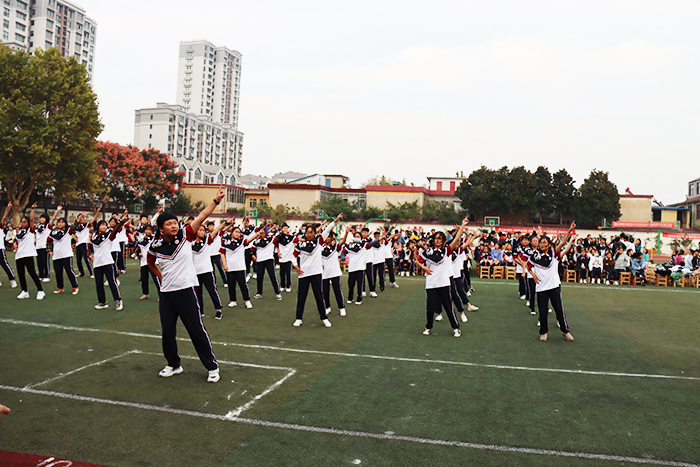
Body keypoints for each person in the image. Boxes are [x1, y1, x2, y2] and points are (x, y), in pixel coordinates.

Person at [147, 188, 225, 383]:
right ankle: (173, 364)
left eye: (175, 222)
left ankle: (212, 367)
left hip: (186, 291)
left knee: (196, 329)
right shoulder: (155, 246)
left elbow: (203, 215)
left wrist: (216, 200)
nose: (173, 226)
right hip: (167, 294)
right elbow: (150, 263)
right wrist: (160, 277)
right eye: (168, 224)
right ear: (160, 228)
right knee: (168, 331)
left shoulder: (185, 235)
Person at [415, 217, 470, 338]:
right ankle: (428, 327)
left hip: (444, 283)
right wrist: (424, 268)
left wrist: (462, 226)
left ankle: (456, 328)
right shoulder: (427, 251)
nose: (438, 240)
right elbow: (417, 261)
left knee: (448, 307)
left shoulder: (447, 251)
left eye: (440, 239)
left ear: (444, 241)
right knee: (430, 308)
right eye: (436, 238)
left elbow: (456, 239)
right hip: (431, 284)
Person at [527, 221, 576, 342]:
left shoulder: (554, 254)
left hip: (554, 286)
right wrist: (533, 275)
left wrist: (569, 230)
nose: (542, 244)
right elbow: (528, 265)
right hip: (541, 288)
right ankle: (543, 333)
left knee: (559, 309)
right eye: (541, 242)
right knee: (542, 311)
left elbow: (563, 242)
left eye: (545, 243)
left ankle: (565, 331)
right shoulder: (535, 255)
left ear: (549, 245)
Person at [292, 213, 342, 327]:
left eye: (311, 232)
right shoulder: (301, 244)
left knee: (319, 297)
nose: (309, 234)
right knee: (301, 297)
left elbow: (328, 229)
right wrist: (296, 266)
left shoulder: (319, 241)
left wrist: (336, 220)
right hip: (303, 274)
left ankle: (324, 318)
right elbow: (293, 255)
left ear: (315, 233)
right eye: (307, 232)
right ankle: (298, 318)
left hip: (316, 274)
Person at [89, 208, 127, 310]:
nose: (104, 226)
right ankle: (102, 302)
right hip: (97, 263)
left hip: (107, 262)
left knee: (111, 282)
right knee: (99, 284)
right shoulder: (93, 237)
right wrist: (89, 255)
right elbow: (89, 247)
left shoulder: (109, 236)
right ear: (98, 226)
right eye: (102, 224)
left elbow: (115, 230)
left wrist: (121, 222)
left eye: (105, 225)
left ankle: (118, 300)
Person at [220, 221, 261, 309]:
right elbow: (222, 254)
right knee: (231, 285)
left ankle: (247, 300)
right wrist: (224, 265)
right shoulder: (225, 243)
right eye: (236, 232)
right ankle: (233, 300)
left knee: (242, 284)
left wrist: (257, 233)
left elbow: (250, 239)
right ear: (232, 233)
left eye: (239, 232)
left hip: (240, 267)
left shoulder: (242, 242)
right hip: (230, 267)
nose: (238, 234)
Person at [192, 220, 227, 319]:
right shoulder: (191, 244)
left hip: (207, 271)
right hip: (196, 273)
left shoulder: (207, 241)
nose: (202, 232)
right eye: (199, 230)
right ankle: (200, 311)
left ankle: (218, 310)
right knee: (198, 293)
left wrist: (223, 224)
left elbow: (215, 231)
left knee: (212, 291)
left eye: (203, 230)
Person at [15, 203, 45, 300]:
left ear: (28, 223)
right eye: (21, 222)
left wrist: (32, 209)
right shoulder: (19, 231)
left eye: (24, 222)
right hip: (19, 255)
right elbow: (16, 241)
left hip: (28, 255)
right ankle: (24, 291)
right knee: (20, 274)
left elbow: (32, 220)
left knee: (32, 272)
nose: (22, 224)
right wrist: (15, 245)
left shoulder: (30, 231)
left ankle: (40, 290)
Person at [47, 206, 79, 295]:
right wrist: (50, 250)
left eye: (62, 222)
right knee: (58, 272)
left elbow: (74, 226)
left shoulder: (68, 231)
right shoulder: (54, 232)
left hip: (66, 255)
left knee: (69, 271)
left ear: (65, 223)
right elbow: (48, 240)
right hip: (56, 255)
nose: (60, 224)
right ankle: (60, 287)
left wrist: (78, 220)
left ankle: (75, 287)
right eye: (59, 222)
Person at [250, 222, 282, 300]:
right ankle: (259, 293)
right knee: (259, 277)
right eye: (260, 232)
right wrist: (253, 256)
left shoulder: (271, 239)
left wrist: (276, 228)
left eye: (263, 232)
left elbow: (279, 238)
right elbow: (251, 251)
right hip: (260, 261)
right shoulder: (256, 242)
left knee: (273, 276)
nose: (261, 234)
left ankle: (278, 293)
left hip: (269, 260)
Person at [322, 228, 349, 317]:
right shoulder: (320, 248)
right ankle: (327, 307)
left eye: (328, 237)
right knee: (325, 291)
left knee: (337, 290)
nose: (326, 239)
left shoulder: (335, 247)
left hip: (334, 273)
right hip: (324, 273)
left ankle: (341, 307)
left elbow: (342, 242)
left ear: (331, 238)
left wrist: (346, 233)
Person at [136, 224, 160, 300]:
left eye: (149, 230)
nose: (148, 231)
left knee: (156, 279)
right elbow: (137, 249)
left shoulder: (154, 239)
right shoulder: (141, 240)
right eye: (146, 230)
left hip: (153, 262)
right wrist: (138, 253)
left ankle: (161, 294)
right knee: (144, 279)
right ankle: (145, 293)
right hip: (143, 262)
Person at [0, 203, 17, 289]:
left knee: (4, 265)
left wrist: (7, 209)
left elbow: (4, 218)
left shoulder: (0, 226)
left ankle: (12, 280)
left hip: (0, 249)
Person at [275, 223, 295, 293]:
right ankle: (282, 286)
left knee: (288, 272)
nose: (285, 230)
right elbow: (276, 243)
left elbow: (296, 240)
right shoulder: (279, 237)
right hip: (282, 258)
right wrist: (278, 252)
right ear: (281, 229)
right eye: (284, 228)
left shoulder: (291, 237)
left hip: (288, 258)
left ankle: (288, 286)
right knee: (282, 273)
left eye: (286, 228)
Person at [73, 212, 94, 278]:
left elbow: (93, 220)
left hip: (84, 243)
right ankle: (81, 273)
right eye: (79, 218)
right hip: (78, 244)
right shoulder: (75, 226)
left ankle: (91, 273)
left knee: (86, 258)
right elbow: (72, 232)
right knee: (78, 260)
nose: (81, 219)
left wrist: (97, 212)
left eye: (82, 217)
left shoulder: (86, 225)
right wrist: (75, 238)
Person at [207, 220, 228, 288]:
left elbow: (224, 229)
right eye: (210, 226)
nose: (212, 227)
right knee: (212, 269)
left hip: (217, 253)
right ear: (207, 227)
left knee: (220, 268)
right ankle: (214, 283)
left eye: (213, 226)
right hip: (209, 254)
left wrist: (229, 224)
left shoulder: (218, 233)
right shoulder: (206, 235)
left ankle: (225, 281)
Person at [35, 211, 52, 282]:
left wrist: (57, 210)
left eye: (43, 218)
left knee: (45, 262)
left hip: (45, 246)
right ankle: (41, 275)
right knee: (39, 262)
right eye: (41, 218)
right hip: (38, 246)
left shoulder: (48, 226)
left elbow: (53, 219)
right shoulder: (38, 226)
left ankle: (47, 276)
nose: (41, 219)